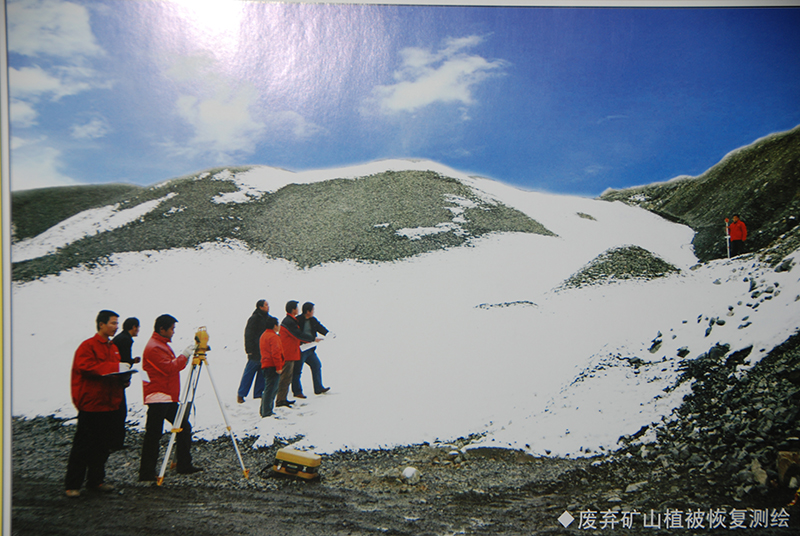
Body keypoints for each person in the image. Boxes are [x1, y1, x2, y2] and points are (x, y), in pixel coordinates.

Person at [64, 310, 131, 498]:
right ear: (101, 324)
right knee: (83, 445)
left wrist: (124, 379)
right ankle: (72, 484)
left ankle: (96, 481)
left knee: (102, 446)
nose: (116, 327)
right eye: (112, 323)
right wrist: (115, 368)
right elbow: (86, 367)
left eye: (117, 323)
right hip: (92, 404)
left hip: (109, 403)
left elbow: (112, 373)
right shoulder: (88, 346)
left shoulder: (113, 347)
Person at [138, 314, 202, 481]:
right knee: (154, 435)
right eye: (172, 329)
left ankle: (183, 464)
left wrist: (184, 358)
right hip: (158, 396)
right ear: (162, 329)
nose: (173, 332)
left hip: (166, 396)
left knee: (182, 427)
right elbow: (170, 368)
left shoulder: (160, 345)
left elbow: (172, 366)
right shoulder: (155, 347)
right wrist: (185, 355)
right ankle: (147, 472)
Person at [275, 301, 320, 408]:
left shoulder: (292, 320)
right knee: (286, 377)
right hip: (288, 353)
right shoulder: (290, 321)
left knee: (288, 376)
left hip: (292, 352)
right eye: (296, 308)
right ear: (293, 309)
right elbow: (298, 335)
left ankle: (283, 399)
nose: (298, 309)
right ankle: (281, 399)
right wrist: (312, 339)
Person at [110, 317, 141, 450]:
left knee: (115, 410)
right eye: (137, 327)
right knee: (120, 411)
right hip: (117, 379)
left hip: (112, 377)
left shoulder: (120, 338)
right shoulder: (126, 340)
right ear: (133, 327)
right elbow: (124, 362)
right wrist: (125, 379)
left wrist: (132, 360)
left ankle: (112, 441)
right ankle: (116, 443)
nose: (138, 330)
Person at [237, 300, 274, 404]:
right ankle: (241, 394)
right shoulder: (254, 319)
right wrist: (249, 350)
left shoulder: (268, 319)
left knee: (262, 373)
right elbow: (248, 334)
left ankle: (258, 393)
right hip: (255, 351)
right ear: (260, 307)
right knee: (249, 373)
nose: (268, 307)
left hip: (265, 350)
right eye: (266, 305)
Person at [293, 302, 331, 397]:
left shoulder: (313, 320)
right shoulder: (298, 320)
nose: (313, 312)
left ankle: (318, 388)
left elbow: (320, 327)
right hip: (301, 349)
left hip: (310, 349)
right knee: (297, 370)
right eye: (312, 310)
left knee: (316, 365)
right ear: (308, 311)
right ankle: (297, 391)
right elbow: (297, 334)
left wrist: (328, 333)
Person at [259, 316, 285, 417]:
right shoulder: (273, 337)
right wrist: (279, 367)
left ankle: (264, 410)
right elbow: (276, 353)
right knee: (271, 390)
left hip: (265, 364)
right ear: (274, 326)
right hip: (272, 365)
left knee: (268, 388)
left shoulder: (263, 335)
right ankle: (267, 411)